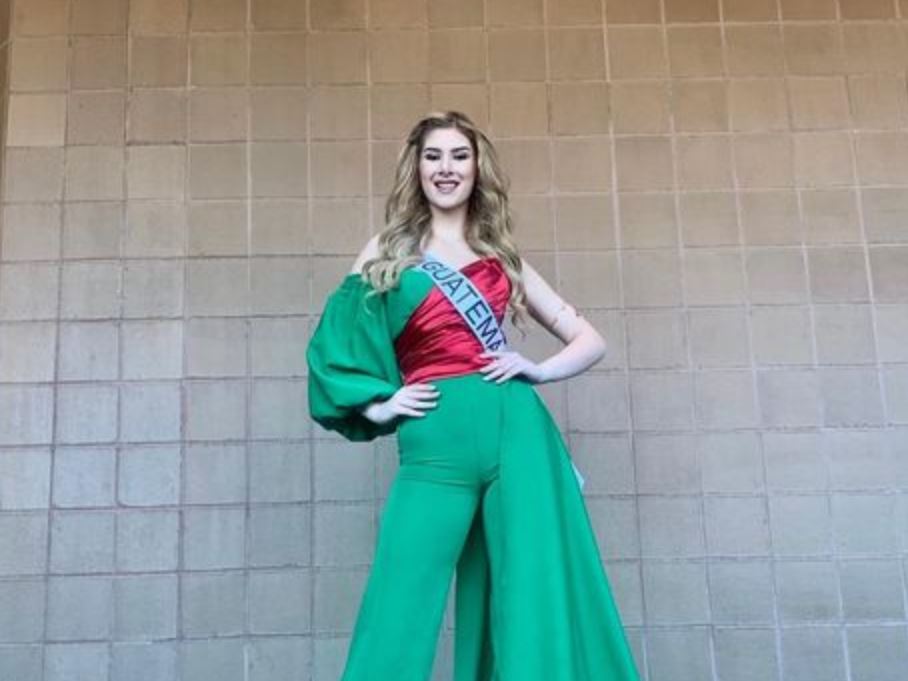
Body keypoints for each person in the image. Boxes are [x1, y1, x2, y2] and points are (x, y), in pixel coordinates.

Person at [306, 111, 640, 681]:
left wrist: (537, 370)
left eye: (459, 156)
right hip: (434, 447)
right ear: (416, 168)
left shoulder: (501, 258)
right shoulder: (388, 250)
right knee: (399, 599)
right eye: (433, 156)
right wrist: (378, 405)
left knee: (528, 596)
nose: (446, 168)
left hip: (517, 439)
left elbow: (592, 341)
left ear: (477, 168)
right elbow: (333, 345)